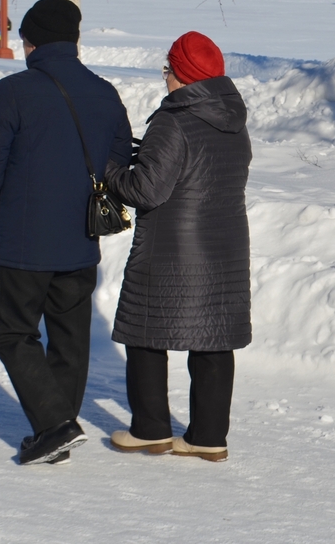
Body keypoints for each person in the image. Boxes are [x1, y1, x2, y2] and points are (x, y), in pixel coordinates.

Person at [0, 0, 133, 465]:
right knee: (69, 336)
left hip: (25, 242)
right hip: (81, 239)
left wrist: (16, 200)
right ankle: (58, 426)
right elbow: (120, 161)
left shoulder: (16, 91)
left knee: (12, 330)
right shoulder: (104, 92)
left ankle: (54, 425)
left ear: (31, 42)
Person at [103, 31, 252, 462]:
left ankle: (150, 429)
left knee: (146, 334)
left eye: (168, 70)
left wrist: (112, 171)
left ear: (183, 74)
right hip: (225, 248)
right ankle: (208, 437)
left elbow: (147, 190)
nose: (165, 79)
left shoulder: (175, 119)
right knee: (213, 340)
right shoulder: (234, 119)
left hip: (172, 248)